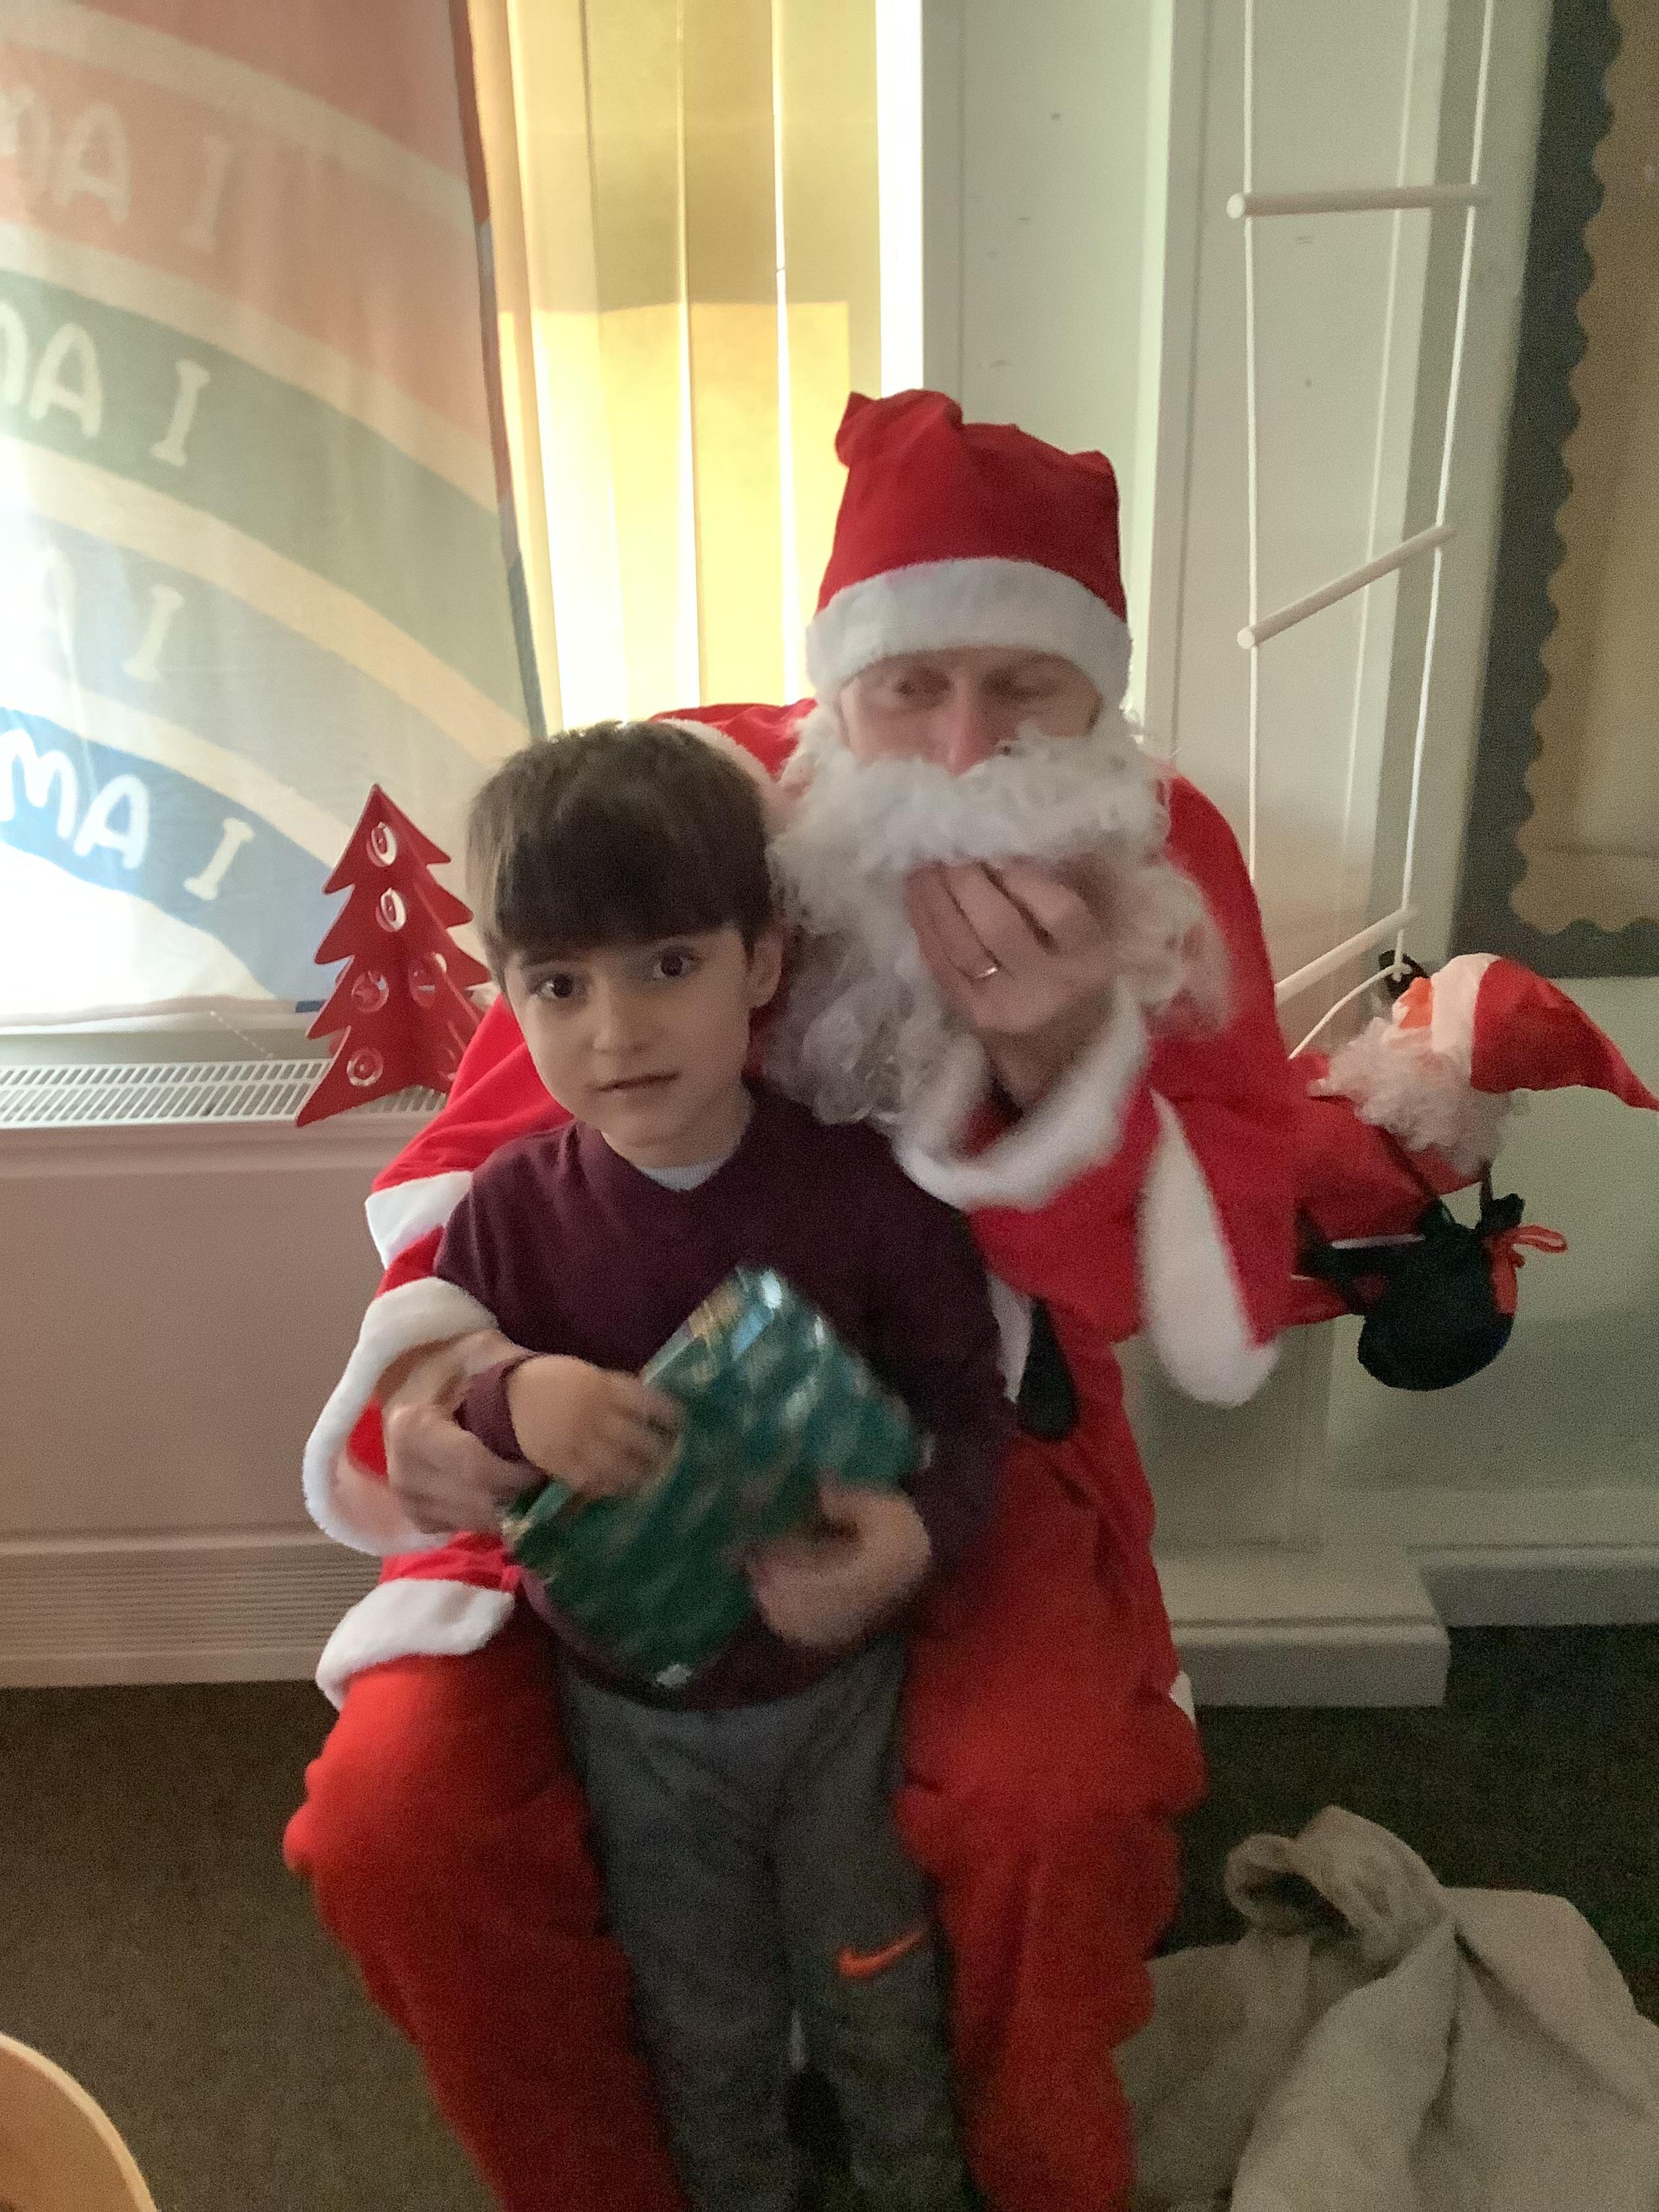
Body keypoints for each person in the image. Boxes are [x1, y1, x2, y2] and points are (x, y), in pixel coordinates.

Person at [287, 389, 1299, 2212]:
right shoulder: (704, 818)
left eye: (1028, 691)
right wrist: (452, 1397)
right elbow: (481, 1198)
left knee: (1052, 1798)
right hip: (595, 1434)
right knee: (392, 1819)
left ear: (1099, 701)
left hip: (967, 1421)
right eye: (912, 687)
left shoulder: (1155, 863)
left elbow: (1176, 1300)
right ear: (841, 683)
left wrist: (1059, 1059)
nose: (966, 746)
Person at [422, 721, 1003, 2212]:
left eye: (667, 964)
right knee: (702, 2010)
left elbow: (967, 1410)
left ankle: (913, 2184)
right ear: (508, 996)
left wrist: (912, 1542)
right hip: (635, 1713)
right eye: (560, 984)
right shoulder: (508, 1212)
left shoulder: (865, 1195)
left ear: (761, 963)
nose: (615, 1030)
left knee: (877, 1980)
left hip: (839, 1696)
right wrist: (516, 1398)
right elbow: (433, 1402)